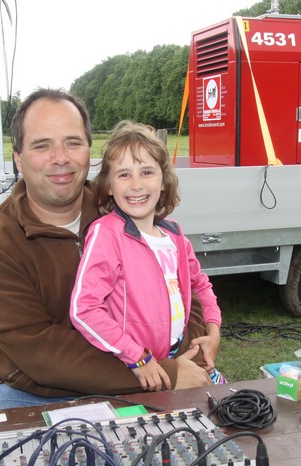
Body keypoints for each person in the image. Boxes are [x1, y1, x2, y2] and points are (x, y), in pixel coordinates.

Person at [0, 89, 214, 411]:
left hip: (150, 367)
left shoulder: (127, 203)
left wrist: (192, 350)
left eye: (73, 142)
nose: (60, 157)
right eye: (42, 145)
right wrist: (168, 373)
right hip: (44, 388)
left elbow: (183, 285)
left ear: (89, 151)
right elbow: (41, 352)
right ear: (18, 158)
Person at [70, 121, 222, 392]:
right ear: (108, 185)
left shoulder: (174, 235)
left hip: (182, 354)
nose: (136, 185)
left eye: (147, 172)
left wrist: (213, 330)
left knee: (223, 407)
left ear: (163, 181)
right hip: (139, 365)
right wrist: (137, 356)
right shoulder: (107, 234)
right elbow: (84, 309)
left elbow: (201, 284)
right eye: (124, 175)